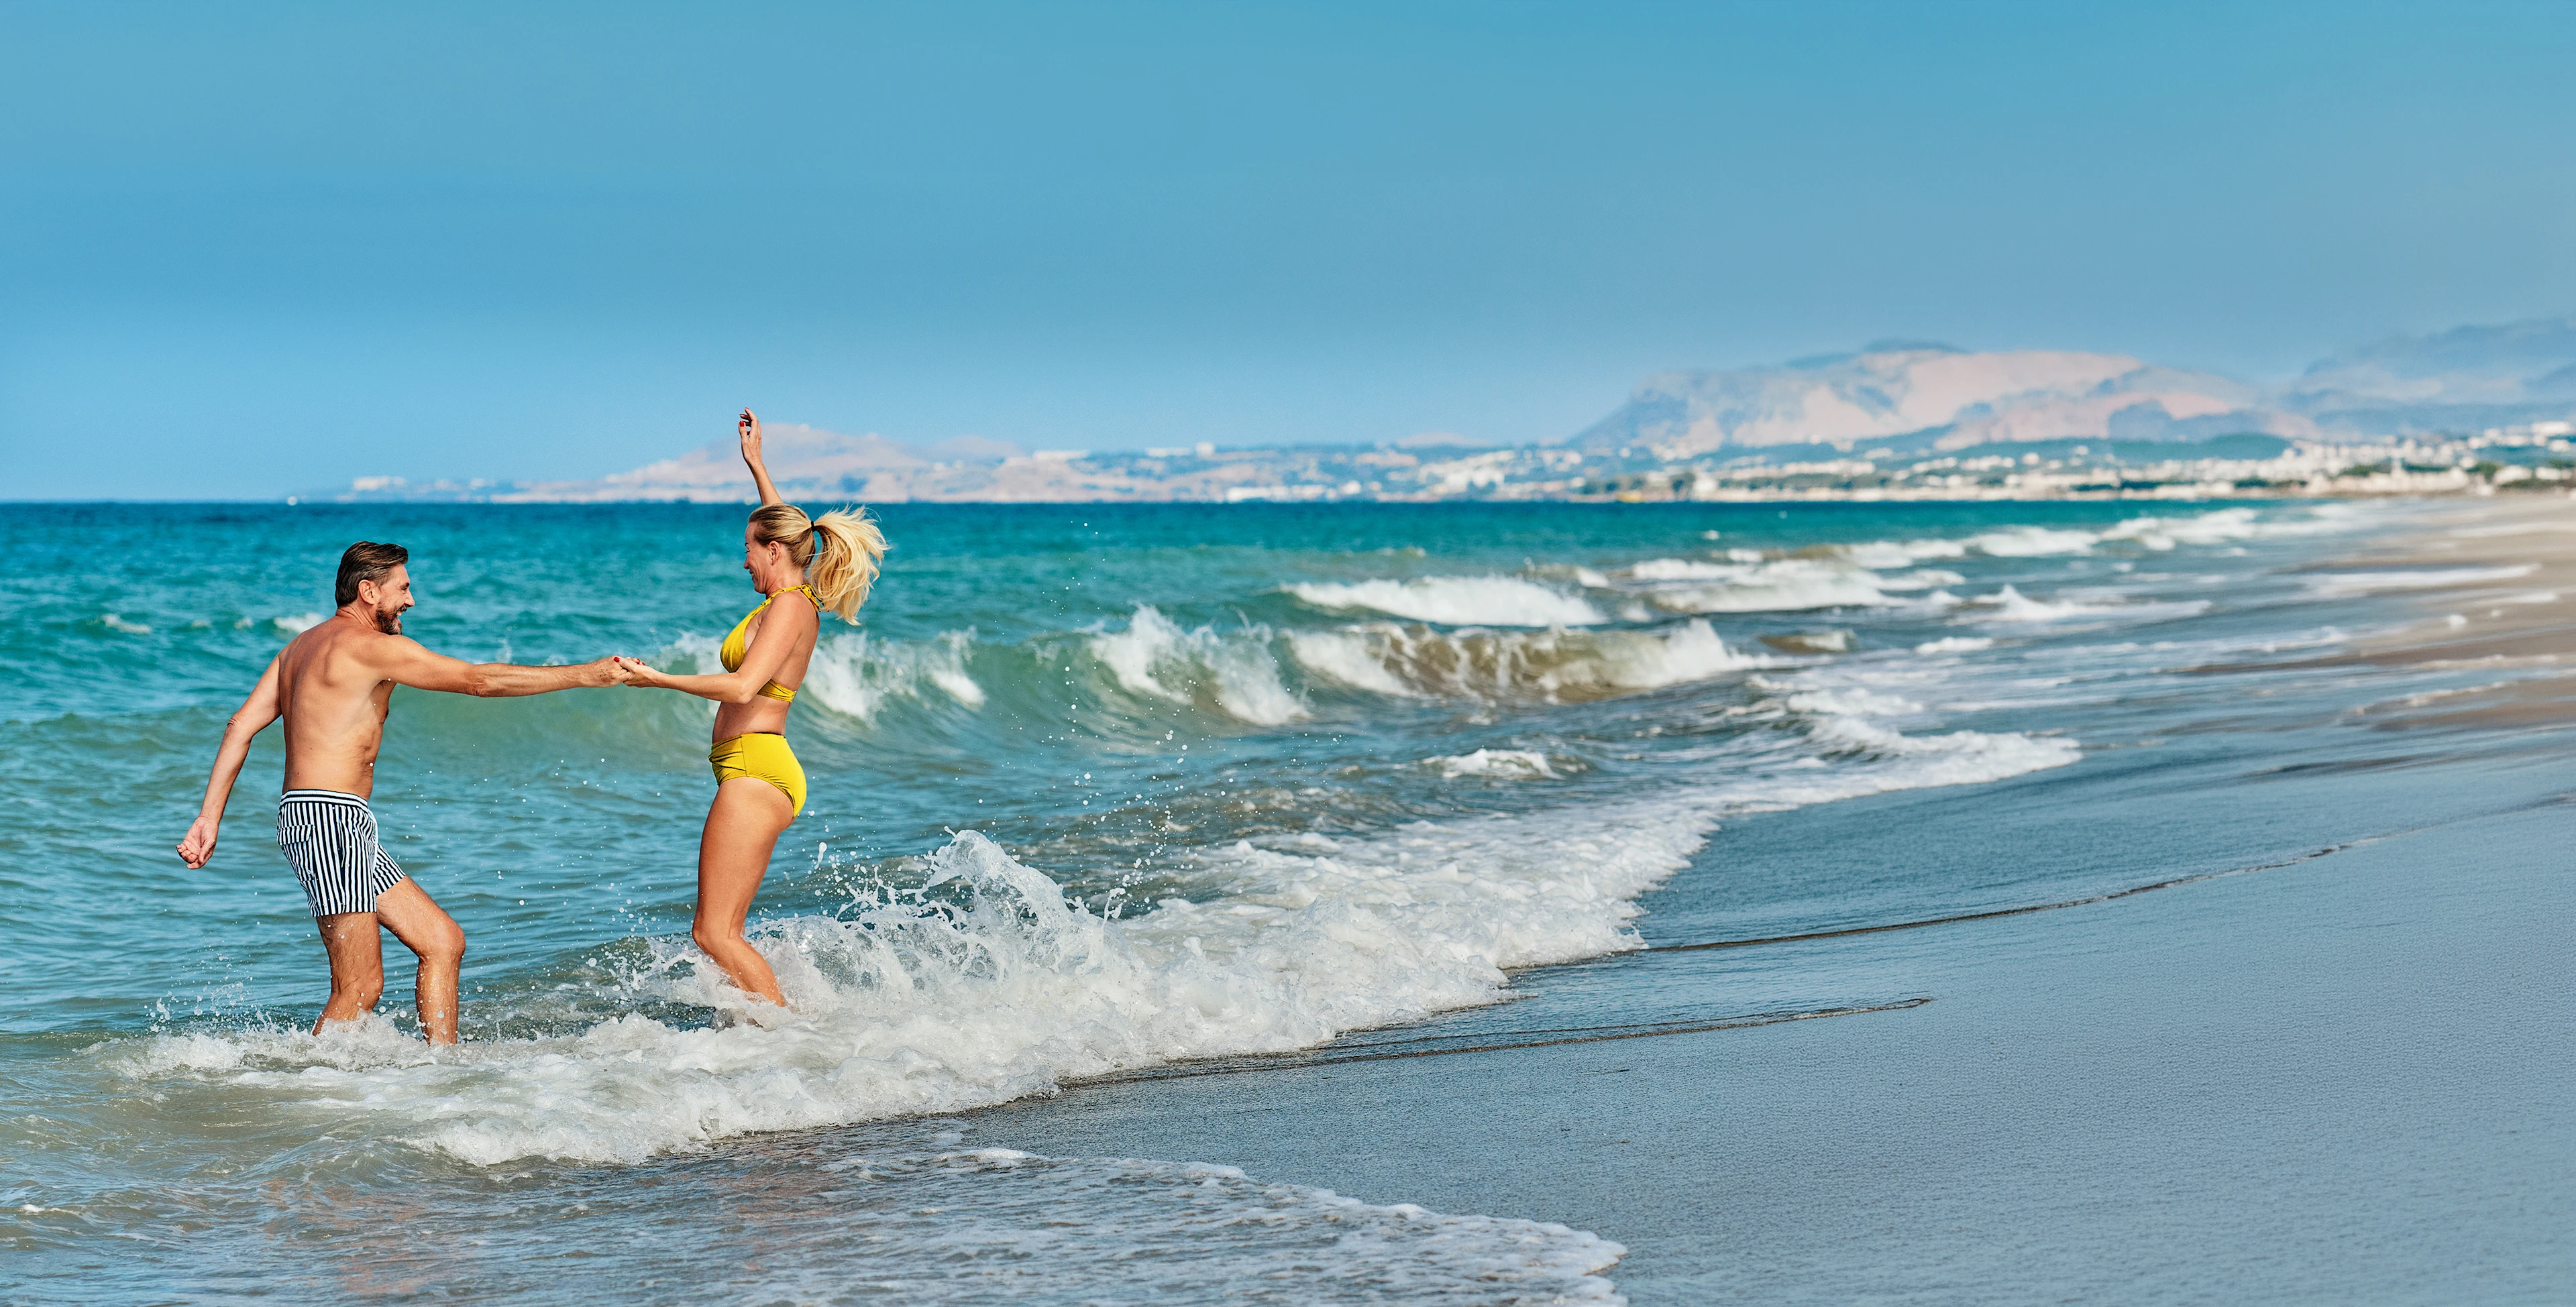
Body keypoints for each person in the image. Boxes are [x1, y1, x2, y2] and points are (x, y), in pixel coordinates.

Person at [175, 541, 623, 1044]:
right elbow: (479, 681)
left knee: (442, 942)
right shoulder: (371, 647)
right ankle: (306, 1090)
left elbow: (240, 725)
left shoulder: (297, 649)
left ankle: (442, 1075)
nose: (410, 601)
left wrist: (208, 817)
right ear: (369, 590)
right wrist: (587, 674)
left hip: (331, 819)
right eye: (403, 588)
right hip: (328, 819)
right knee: (359, 988)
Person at [611, 408, 887, 1009]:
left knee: (714, 933)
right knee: (721, 931)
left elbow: (742, 689)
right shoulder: (795, 590)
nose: (745, 562)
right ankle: (767, 1042)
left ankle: (788, 1042)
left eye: (749, 551)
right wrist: (758, 465)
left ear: (774, 553)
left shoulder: (790, 606)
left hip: (757, 767)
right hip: (752, 766)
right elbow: (786, 531)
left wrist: (658, 678)